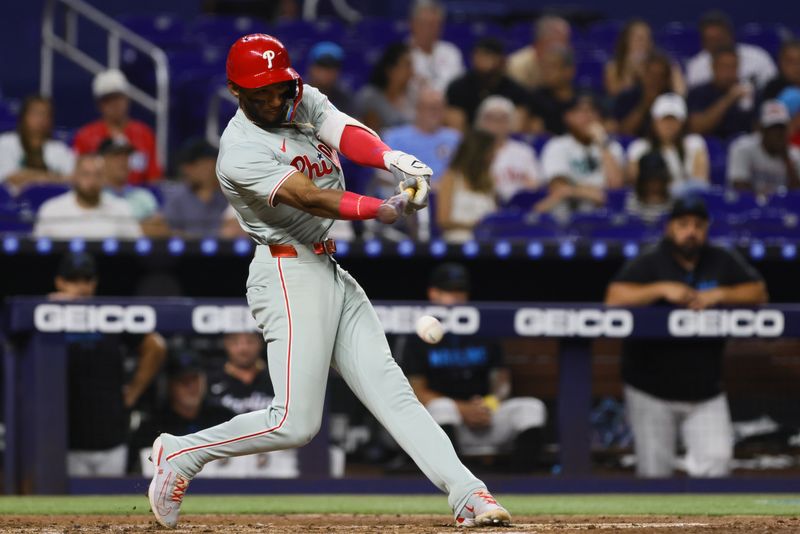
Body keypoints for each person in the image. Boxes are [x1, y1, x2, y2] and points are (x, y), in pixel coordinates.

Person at [146, 33, 510, 529]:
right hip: (286, 270)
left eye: (279, 87)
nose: (275, 100)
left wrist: (391, 159)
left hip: (328, 268)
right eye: (261, 93)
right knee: (294, 422)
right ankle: (180, 453)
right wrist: (381, 209)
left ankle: (468, 494)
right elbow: (310, 197)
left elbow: (343, 130)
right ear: (236, 91)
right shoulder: (238, 151)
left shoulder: (299, 97)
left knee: (393, 393)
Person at [605, 196, 768, 477]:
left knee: (716, 463)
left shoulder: (720, 259)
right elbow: (614, 298)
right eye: (683, 224)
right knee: (655, 473)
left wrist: (719, 294)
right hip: (650, 389)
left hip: (705, 390)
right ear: (670, 227)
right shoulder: (651, 261)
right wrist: (660, 289)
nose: (690, 231)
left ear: (706, 229)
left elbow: (758, 292)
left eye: (697, 225)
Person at [400, 263, 546, 472]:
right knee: (442, 408)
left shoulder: (482, 327)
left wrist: (489, 404)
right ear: (434, 293)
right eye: (450, 292)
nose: (457, 298)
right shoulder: (418, 338)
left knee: (531, 408)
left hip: (484, 418)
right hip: (446, 425)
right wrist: (462, 408)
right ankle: (454, 480)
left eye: (461, 292)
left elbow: (502, 382)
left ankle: (520, 484)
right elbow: (417, 392)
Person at [51, 252, 166, 476]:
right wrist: (46, 306)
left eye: (86, 280)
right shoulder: (47, 316)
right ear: (60, 282)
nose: (81, 287)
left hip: (111, 436)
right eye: (73, 280)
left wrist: (133, 392)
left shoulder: (110, 315)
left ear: (95, 282)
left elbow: (156, 346)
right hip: (63, 439)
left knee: (110, 505)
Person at [134, 351, 236, 471]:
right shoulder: (152, 427)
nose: (192, 387)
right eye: (184, 382)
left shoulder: (224, 418)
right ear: (170, 385)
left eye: (195, 379)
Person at [535, 95, 625, 219]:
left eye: (593, 111)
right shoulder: (557, 145)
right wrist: (589, 193)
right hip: (569, 212)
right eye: (581, 111)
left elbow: (615, 186)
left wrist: (602, 143)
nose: (588, 117)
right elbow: (559, 188)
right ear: (568, 117)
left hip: (604, 214)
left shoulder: (611, 147)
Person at [73, 69, 162, 184]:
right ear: (99, 105)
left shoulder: (144, 134)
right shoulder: (85, 136)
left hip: (137, 197)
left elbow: (154, 178)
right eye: (108, 100)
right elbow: (79, 177)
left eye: (118, 97)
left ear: (127, 99)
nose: (114, 104)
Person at [34, 154, 142, 239]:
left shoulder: (121, 209)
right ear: (74, 177)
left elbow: (134, 249)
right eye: (85, 174)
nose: (92, 181)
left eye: (98, 175)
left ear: (104, 179)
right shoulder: (51, 210)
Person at [378, 88, 461, 190]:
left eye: (440, 108)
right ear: (418, 109)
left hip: (445, 194)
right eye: (431, 108)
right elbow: (383, 174)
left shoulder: (455, 139)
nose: (436, 113)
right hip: (406, 193)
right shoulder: (394, 137)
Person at [627, 93, 710, 193]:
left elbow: (699, 183)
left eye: (673, 120)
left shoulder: (695, 144)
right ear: (654, 122)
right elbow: (636, 181)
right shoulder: (639, 148)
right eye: (664, 120)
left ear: (682, 122)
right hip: (652, 202)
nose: (669, 125)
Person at [445, 38, 530, 132]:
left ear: (501, 60)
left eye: (488, 55)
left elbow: (516, 129)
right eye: (479, 55)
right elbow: (456, 128)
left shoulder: (516, 91)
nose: (483, 61)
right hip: (470, 142)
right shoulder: (458, 88)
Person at [0, 95, 74, 193]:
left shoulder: (60, 149)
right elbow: (12, 177)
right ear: (24, 117)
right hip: (16, 202)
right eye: (36, 114)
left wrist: (29, 176)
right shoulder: (6, 142)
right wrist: (54, 178)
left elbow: (73, 178)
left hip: (53, 202)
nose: (41, 119)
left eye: (46, 114)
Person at [686, 10, 777, 90]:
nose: (716, 44)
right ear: (703, 43)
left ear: (730, 36)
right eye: (710, 40)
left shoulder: (758, 57)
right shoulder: (696, 66)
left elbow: (772, 90)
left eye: (719, 39)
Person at [475, 96, 541, 203]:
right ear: (480, 122)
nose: (495, 124)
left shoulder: (524, 151)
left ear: (511, 123)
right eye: (490, 118)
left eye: (502, 119)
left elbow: (534, 185)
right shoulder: (472, 152)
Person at [437, 129, 498, 243]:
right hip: (457, 242)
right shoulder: (450, 177)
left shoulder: (489, 180)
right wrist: (473, 226)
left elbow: (494, 216)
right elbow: (443, 220)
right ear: (479, 153)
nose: (494, 156)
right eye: (490, 152)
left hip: (487, 243)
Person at [727, 100, 800, 195]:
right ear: (762, 129)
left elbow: (796, 197)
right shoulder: (742, 148)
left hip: (780, 208)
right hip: (747, 207)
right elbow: (739, 188)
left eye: (781, 128)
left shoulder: (795, 155)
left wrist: (787, 161)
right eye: (773, 128)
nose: (778, 134)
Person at [98, 137, 167, 237]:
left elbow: (161, 230)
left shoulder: (143, 196)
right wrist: (141, 226)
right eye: (116, 156)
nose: (123, 161)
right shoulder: (93, 194)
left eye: (126, 156)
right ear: (101, 161)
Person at [162, 139, 230, 237]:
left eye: (211, 164)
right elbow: (167, 234)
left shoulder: (227, 197)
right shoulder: (177, 198)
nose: (186, 170)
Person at [687, 47, 756, 139]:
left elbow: (757, 131)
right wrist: (729, 98)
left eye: (733, 66)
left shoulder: (748, 92)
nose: (729, 71)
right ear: (713, 67)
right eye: (724, 66)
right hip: (708, 147)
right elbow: (697, 128)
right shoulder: (698, 93)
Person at [605, 20, 685, 98]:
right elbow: (615, 95)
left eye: (647, 37)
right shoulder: (613, 66)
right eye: (638, 38)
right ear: (626, 40)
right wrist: (630, 72)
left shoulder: (664, 64)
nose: (643, 42)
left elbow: (681, 93)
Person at [355, 43, 415, 133]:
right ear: (390, 70)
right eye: (407, 65)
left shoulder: (415, 96)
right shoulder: (371, 98)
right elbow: (372, 136)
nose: (412, 71)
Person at [613, 51, 676, 137]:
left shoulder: (673, 100)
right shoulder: (627, 97)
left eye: (660, 76)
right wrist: (644, 105)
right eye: (651, 75)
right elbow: (623, 132)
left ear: (666, 80)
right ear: (643, 75)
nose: (655, 80)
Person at [407, 0, 465, 94]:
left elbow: (460, 86)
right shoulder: (403, 54)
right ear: (412, 24)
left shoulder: (451, 52)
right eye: (426, 24)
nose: (430, 30)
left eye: (435, 24)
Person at [506, 15, 571, 91]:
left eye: (565, 41)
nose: (565, 46)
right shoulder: (516, 64)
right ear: (541, 42)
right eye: (560, 42)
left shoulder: (563, 62)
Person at [527, 47, 578, 135]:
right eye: (544, 67)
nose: (546, 72)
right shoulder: (536, 98)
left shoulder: (582, 100)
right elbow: (534, 133)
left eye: (552, 66)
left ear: (568, 71)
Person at [304, 41, 353, 116]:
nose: (326, 72)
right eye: (321, 65)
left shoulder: (344, 99)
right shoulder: (298, 94)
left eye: (332, 67)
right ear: (311, 68)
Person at [624, 151, 672, 223]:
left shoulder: (673, 201)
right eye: (649, 180)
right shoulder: (632, 201)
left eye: (658, 179)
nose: (654, 185)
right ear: (642, 182)